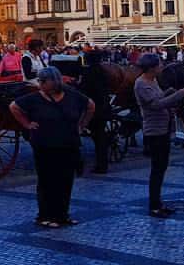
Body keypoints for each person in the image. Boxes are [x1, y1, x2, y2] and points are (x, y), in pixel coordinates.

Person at [9, 67, 95, 228]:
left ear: (53, 81)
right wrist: (27, 124)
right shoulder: (34, 98)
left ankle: (62, 214)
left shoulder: (71, 95)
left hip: (68, 143)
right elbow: (14, 107)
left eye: (43, 81)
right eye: (39, 81)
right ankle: (45, 215)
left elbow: (90, 105)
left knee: (65, 180)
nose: (40, 84)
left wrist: (82, 125)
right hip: (44, 144)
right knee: (47, 180)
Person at [134, 53, 184, 218]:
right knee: (157, 169)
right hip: (154, 130)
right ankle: (154, 206)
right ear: (152, 68)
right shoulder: (141, 83)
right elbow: (156, 104)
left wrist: (169, 91)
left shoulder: (152, 81)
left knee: (162, 168)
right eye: (159, 65)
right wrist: (180, 93)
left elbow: (159, 97)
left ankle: (158, 203)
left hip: (164, 128)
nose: (161, 67)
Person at [79, 49, 111, 174]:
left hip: (94, 109)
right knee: (100, 136)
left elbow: (84, 89)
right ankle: (102, 164)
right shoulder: (102, 71)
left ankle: (101, 165)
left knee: (98, 136)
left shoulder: (88, 73)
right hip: (103, 107)